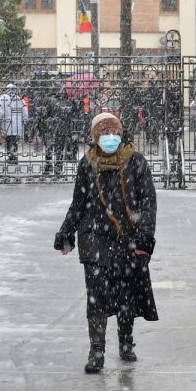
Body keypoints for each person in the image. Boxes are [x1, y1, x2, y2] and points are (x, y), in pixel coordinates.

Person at [54, 113, 159, 374]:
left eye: (114, 132)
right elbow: (78, 203)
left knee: (126, 292)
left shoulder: (136, 162)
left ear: (121, 134)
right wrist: (66, 233)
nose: (110, 138)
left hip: (128, 238)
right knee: (97, 294)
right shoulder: (87, 164)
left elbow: (148, 202)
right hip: (95, 237)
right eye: (104, 133)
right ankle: (97, 350)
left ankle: (126, 341)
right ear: (94, 138)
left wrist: (145, 236)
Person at [0, 83, 28, 164]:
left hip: (8, 123)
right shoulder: (19, 99)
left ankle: (12, 157)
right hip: (18, 124)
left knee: (9, 140)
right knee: (14, 140)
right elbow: (24, 111)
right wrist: (25, 120)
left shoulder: (3, 98)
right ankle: (13, 155)